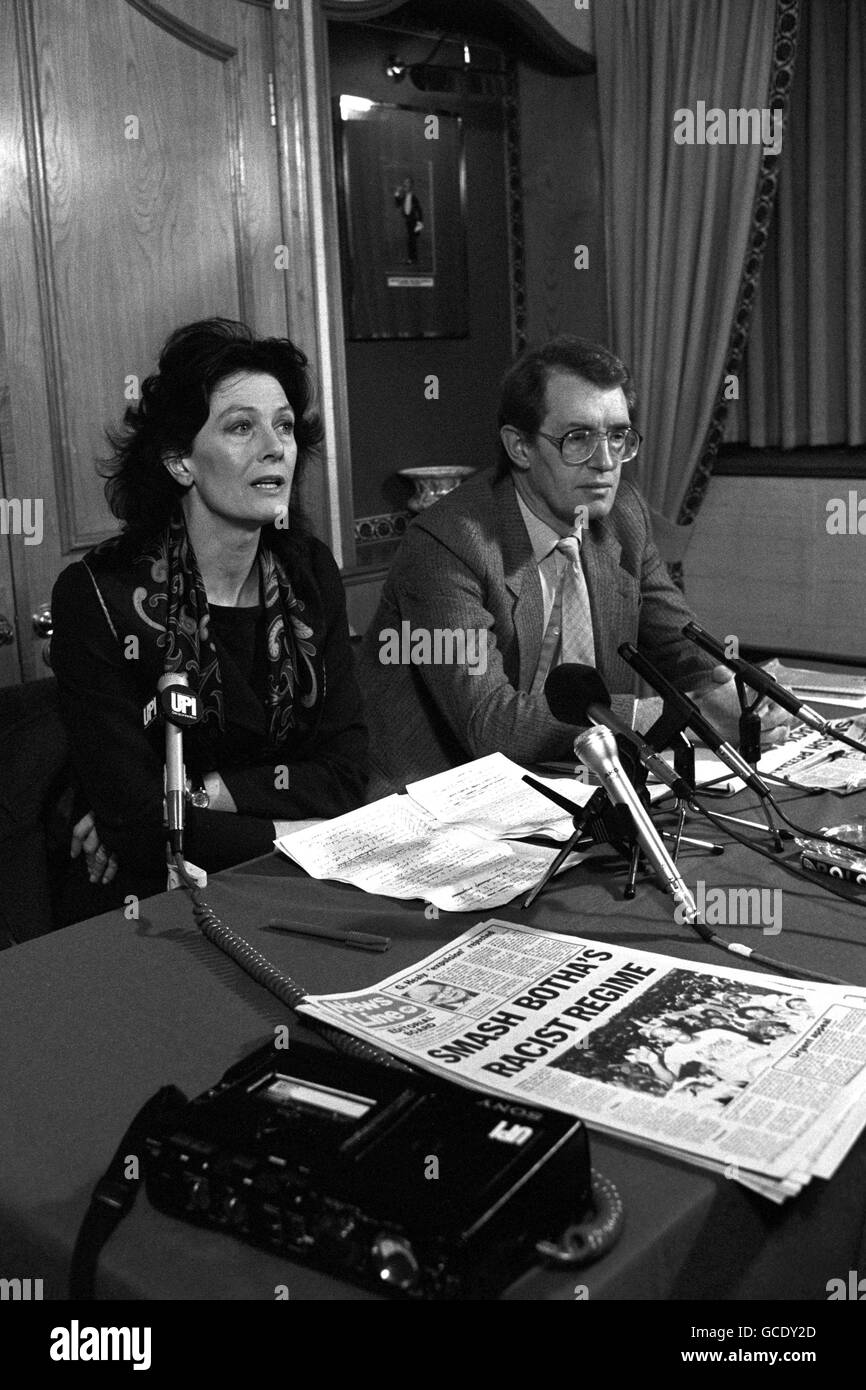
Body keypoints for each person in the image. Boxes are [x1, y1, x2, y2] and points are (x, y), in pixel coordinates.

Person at [358, 336, 792, 796]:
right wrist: (675, 715)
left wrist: (740, 693)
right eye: (578, 438)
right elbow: (489, 723)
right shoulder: (448, 544)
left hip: (582, 784)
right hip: (448, 802)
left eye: (618, 436)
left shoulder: (621, 512)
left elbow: (679, 640)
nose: (605, 463)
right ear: (519, 447)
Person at [51, 318, 368, 915]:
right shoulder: (100, 596)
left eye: (284, 427)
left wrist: (198, 794)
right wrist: (300, 834)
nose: (275, 447)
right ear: (179, 461)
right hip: (148, 907)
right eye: (241, 427)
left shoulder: (310, 573)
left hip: (300, 890)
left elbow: (345, 776)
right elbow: (142, 829)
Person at [393, 177, 423, 264]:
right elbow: (397, 204)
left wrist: (420, 223)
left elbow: (419, 210)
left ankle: (413, 259)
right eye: (405, 183)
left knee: (412, 240)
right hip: (407, 221)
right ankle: (412, 258)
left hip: (414, 221)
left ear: (411, 185)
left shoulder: (414, 197)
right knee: (410, 240)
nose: (405, 185)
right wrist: (397, 193)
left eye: (408, 183)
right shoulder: (404, 197)